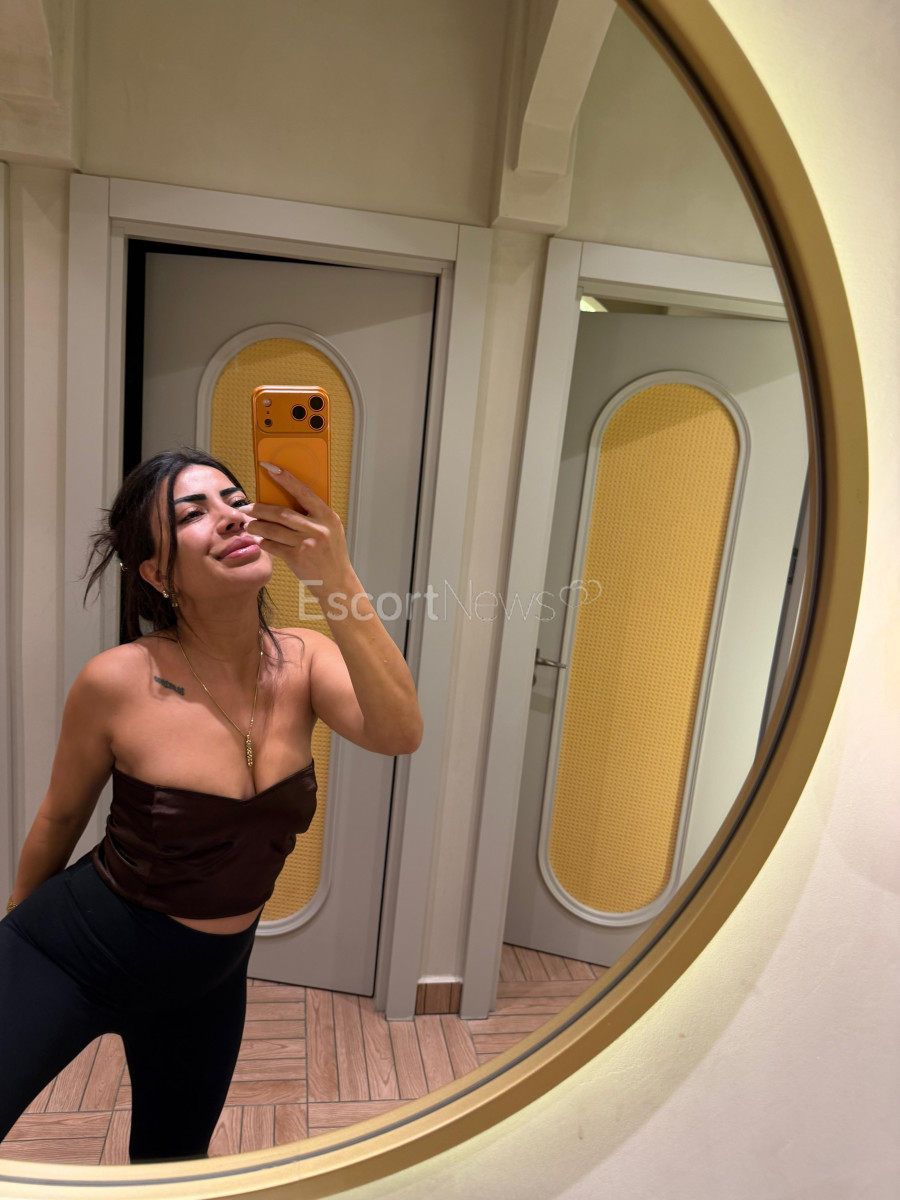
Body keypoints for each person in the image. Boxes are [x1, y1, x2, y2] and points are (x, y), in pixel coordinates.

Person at [0, 447, 422, 1163]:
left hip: (209, 980)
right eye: (193, 513)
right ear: (158, 575)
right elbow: (61, 818)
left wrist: (336, 577)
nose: (229, 516)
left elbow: (399, 733)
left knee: (172, 1169)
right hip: (73, 951)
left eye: (234, 499)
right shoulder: (118, 680)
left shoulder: (306, 658)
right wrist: (14, 934)